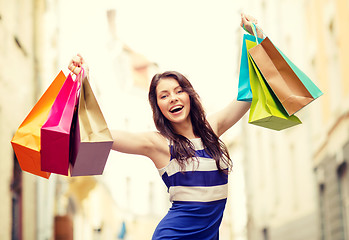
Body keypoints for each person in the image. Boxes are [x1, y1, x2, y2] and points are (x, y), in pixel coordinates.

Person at [69, 13, 262, 240]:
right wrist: (83, 83)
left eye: (179, 91)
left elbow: (248, 96)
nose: (173, 98)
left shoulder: (212, 128)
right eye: (164, 95)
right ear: (158, 106)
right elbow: (102, 134)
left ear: (190, 96)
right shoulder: (158, 144)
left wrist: (255, 39)